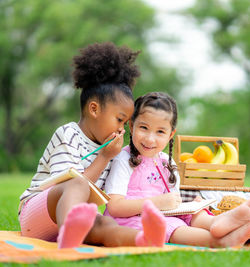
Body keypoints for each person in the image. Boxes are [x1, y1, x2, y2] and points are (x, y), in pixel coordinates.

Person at [19, 42, 166, 249]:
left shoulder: (113, 151)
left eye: (125, 124)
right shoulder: (68, 135)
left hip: (77, 217)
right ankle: (68, 237)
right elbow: (68, 186)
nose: (122, 130)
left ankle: (143, 239)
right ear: (94, 109)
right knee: (78, 183)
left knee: (104, 222)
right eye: (119, 120)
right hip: (37, 215)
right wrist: (104, 157)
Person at [104, 92, 250, 247]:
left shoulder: (167, 162)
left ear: (170, 134)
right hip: (131, 219)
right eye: (144, 128)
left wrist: (190, 205)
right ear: (132, 126)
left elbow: (171, 203)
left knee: (194, 213)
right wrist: (158, 203)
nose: (150, 138)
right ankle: (217, 241)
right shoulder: (124, 159)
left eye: (160, 131)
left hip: (163, 212)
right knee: (172, 227)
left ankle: (216, 223)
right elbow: (115, 207)